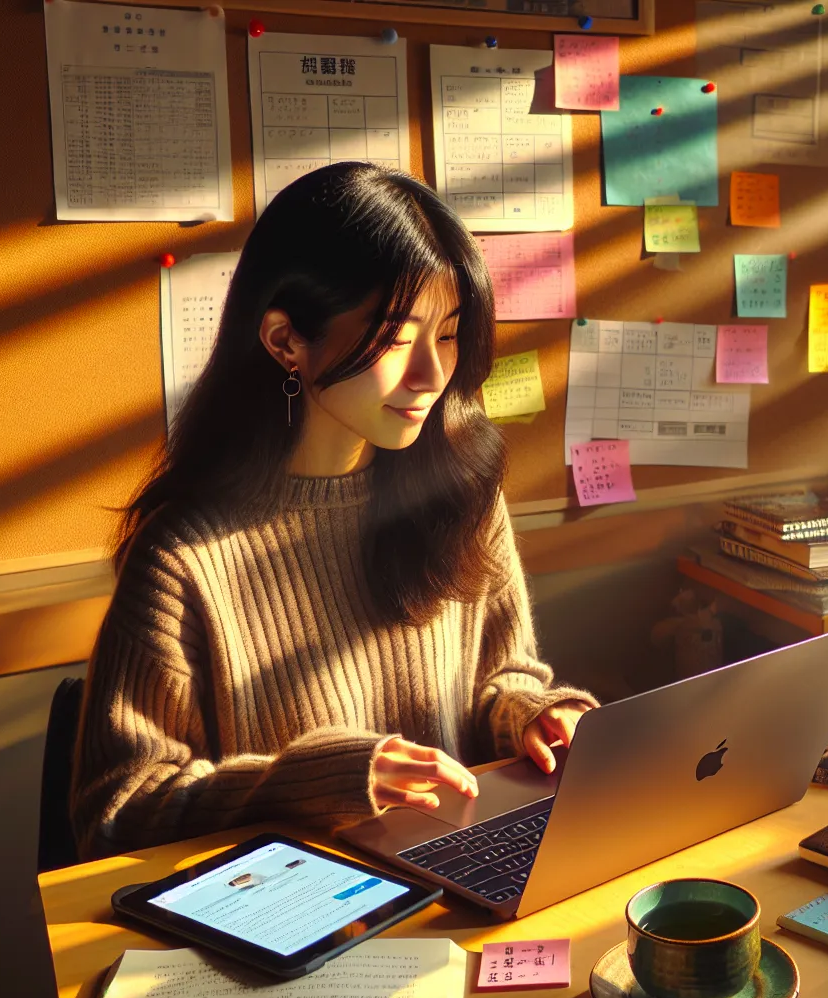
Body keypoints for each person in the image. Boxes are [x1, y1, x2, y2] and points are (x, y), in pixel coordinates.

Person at [71, 162, 596, 860]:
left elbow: (502, 677)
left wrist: (530, 715)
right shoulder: (184, 557)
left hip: (455, 877)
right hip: (293, 916)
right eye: (397, 337)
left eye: (447, 333)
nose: (434, 375)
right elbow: (119, 807)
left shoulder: (460, 495)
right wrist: (307, 782)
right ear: (285, 340)